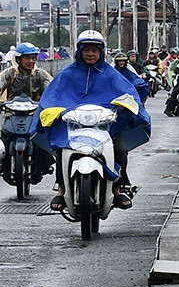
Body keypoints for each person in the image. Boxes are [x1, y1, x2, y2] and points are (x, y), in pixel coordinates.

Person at [37, 30, 148, 210]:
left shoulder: (110, 74)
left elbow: (128, 92)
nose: (90, 54)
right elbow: (52, 96)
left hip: (105, 127)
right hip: (73, 126)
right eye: (86, 49)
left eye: (94, 50)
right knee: (61, 149)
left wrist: (127, 105)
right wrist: (53, 111)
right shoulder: (67, 74)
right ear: (79, 51)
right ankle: (61, 190)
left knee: (119, 148)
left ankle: (118, 190)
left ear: (101, 52)